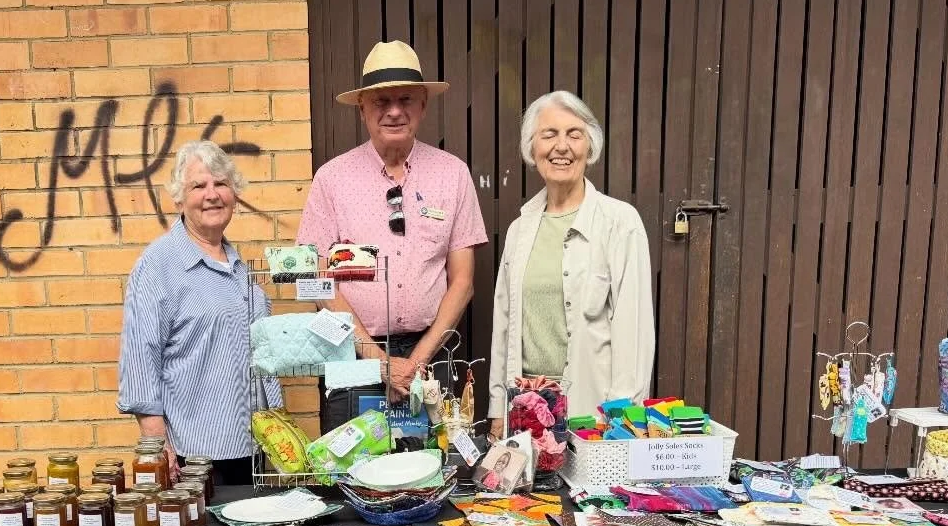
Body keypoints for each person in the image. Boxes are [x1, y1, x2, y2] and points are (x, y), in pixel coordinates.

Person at [297, 40, 487, 418]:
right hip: (351, 354)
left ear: (423, 105)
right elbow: (317, 279)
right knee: (352, 470)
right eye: (381, 101)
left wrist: (416, 360)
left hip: (429, 355)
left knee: (431, 470)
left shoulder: (453, 174)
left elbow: (462, 282)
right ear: (362, 109)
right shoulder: (332, 179)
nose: (394, 112)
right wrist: (378, 359)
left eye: (406, 99)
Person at [487, 91, 654, 436]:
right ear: (532, 149)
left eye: (574, 134)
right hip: (526, 408)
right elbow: (503, 326)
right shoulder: (520, 230)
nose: (561, 147)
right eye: (549, 135)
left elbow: (634, 330)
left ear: (589, 148)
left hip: (593, 412)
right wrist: (498, 408)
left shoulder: (619, 222)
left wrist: (621, 418)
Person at [117, 141, 280, 486]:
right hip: (198, 457)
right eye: (198, 186)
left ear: (234, 193)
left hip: (252, 447)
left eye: (221, 183)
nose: (212, 194)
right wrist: (157, 444)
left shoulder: (238, 266)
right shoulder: (159, 265)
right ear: (179, 197)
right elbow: (140, 361)